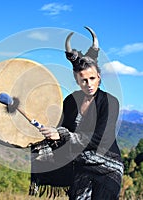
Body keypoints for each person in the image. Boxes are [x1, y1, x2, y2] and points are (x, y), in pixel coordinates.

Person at [39, 27, 124, 199]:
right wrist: (44, 136)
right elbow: (59, 129)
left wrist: (62, 134)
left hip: (107, 166)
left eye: (92, 78)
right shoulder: (70, 101)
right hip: (80, 165)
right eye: (83, 80)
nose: (89, 84)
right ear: (77, 80)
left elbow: (100, 138)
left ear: (99, 77)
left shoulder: (110, 101)